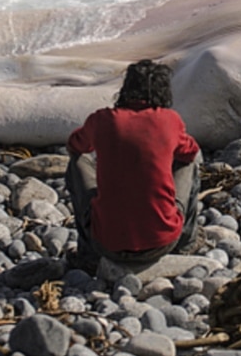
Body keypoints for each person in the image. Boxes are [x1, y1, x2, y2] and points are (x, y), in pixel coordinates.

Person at [65, 59, 202, 270]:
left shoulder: (103, 119)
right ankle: (186, 244)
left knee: (78, 161)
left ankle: (87, 253)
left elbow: (75, 145)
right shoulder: (169, 120)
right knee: (189, 165)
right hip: (161, 242)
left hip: (106, 242)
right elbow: (190, 151)